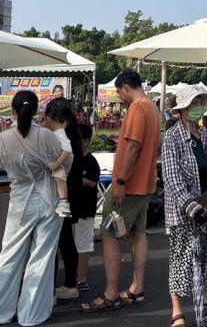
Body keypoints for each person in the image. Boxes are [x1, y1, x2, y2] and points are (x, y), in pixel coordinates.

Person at [0, 91, 64, 326]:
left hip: (19, 200)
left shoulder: (1, 139)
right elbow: (63, 164)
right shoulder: (46, 136)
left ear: (13, 111)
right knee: (42, 256)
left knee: (10, 255)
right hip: (49, 197)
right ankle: (31, 313)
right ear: (36, 110)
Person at [82, 70, 160, 312]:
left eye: (119, 92)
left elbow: (135, 146)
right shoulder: (153, 108)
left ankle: (111, 293)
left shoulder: (137, 107)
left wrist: (121, 181)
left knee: (109, 233)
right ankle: (136, 288)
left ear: (126, 87)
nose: (120, 97)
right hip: (145, 183)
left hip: (130, 185)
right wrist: (121, 140)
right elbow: (141, 143)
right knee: (138, 233)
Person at [161, 89, 207, 327]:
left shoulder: (205, 135)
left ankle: (205, 307)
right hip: (184, 212)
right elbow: (171, 176)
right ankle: (177, 312)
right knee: (181, 261)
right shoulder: (173, 136)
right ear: (184, 108)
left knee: (206, 260)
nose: (200, 106)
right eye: (195, 102)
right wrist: (190, 205)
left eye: (202, 102)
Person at [44, 98, 84, 300]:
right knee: (66, 240)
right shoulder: (74, 136)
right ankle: (70, 284)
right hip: (71, 194)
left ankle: (50, 290)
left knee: (55, 241)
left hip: (60, 197)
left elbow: (57, 167)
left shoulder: (59, 138)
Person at [71, 123, 100, 294]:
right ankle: (74, 277)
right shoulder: (72, 158)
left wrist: (74, 178)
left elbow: (92, 182)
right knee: (73, 245)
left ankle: (82, 279)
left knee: (83, 245)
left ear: (86, 141)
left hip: (85, 209)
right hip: (72, 208)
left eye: (77, 139)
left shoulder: (91, 161)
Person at [40, 102, 74, 219]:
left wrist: (57, 163)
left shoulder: (60, 133)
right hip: (59, 162)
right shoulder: (55, 132)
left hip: (61, 163)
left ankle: (64, 203)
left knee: (59, 179)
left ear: (48, 119)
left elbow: (67, 149)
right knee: (59, 179)